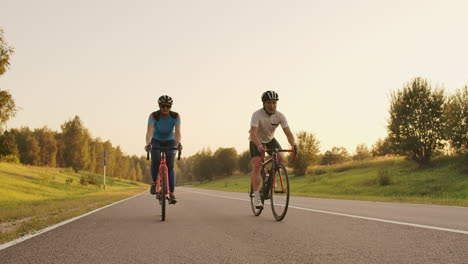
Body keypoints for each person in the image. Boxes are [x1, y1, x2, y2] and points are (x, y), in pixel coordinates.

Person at [249, 90, 297, 209]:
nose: (272, 106)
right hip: (256, 140)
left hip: (270, 140)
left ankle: (270, 176)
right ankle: (256, 197)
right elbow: (253, 133)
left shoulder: (280, 116)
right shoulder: (257, 115)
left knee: (280, 157)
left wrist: (294, 145)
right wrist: (259, 145)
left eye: (274, 103)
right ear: (264, 104)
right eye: (269, 103)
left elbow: (288, 133)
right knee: (257, 165)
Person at [145, 95, 182, 204]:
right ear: (159, 106)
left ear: (170, 106)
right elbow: (149, 132)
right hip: (156, 140)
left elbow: (178, 132)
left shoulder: (175, 116)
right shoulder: (153, 116)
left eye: (167, 106)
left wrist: (179, 143)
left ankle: (171, 194)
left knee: (170, 164)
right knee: (155, 160)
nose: (165, 108)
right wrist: (148, 143)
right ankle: (154, 183)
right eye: (162, 106)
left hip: (171, 140)